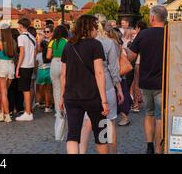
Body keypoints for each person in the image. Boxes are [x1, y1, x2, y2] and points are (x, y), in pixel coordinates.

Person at [60, 14, 109, 154]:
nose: (96, 30)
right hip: (93, 96)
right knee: (102, 134)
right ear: (89, 28)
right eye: (95, 27)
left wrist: (61, 97)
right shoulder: (96, 45)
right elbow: (99, 73)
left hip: (71, 96)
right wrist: (104, 101)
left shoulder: (68, 45)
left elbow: (63, 74)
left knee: (73, 135)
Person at [79, 17, 125, 154]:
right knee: (108, 124)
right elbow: (114, 69)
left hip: (87, 87)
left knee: (86, 124)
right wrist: (119, 88)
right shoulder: (108, 43)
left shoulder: (80, 43)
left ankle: (80, 151)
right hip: (106, 85)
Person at [127, 5, 167, 154]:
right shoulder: (170, 34)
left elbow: (131, 57)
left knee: (149, 113)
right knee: (160, 115)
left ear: (152, 18)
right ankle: (159, 148)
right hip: (163, 83)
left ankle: (149, 145)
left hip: (145, 82)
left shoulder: (143, 34)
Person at [47, 25, 68, 139]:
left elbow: (48, 55)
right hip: (64, 64)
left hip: (54, 63)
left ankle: (58, 110)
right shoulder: (66, 41)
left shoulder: (52, 42)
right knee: (64, 87)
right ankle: (64, 107)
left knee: (56, 89)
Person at [15, 18, 36, 121]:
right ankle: (28, 111)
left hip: (24, 65)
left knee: (25, 89)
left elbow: (22, 53)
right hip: (31, 64)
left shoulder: (21, 37)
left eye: (19, 25)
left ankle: (28, 112)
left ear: (21, 26)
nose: (18, 27)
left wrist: (17, 67)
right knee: (27, 88)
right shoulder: (32, 36)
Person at [0, 25, 16, 123]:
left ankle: (7, 115)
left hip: (2, 65)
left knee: (3, 92)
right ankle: (1, 113)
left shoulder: (0, 42)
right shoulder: (14, 42)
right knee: (5, 92)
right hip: (11, 66)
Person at [130, 21, 147, 113]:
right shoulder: (148, 36)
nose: (135, 29)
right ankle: (139, 102)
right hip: (146, 62)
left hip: (138, 62)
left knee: (137, 83)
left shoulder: (139, 37)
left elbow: (133, 52)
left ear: (139, 28)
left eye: (136, 28)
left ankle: (136, 104)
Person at [36, 25, 53, 113]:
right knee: (48, 90)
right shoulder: (50, 55)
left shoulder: (38, 55)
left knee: (40, 88)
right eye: (45, 31)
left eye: (48, 31)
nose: (46, 33)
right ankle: (47, 106)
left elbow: (36, 63)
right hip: (49, 70)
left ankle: (38, 102)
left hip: (41, 71)